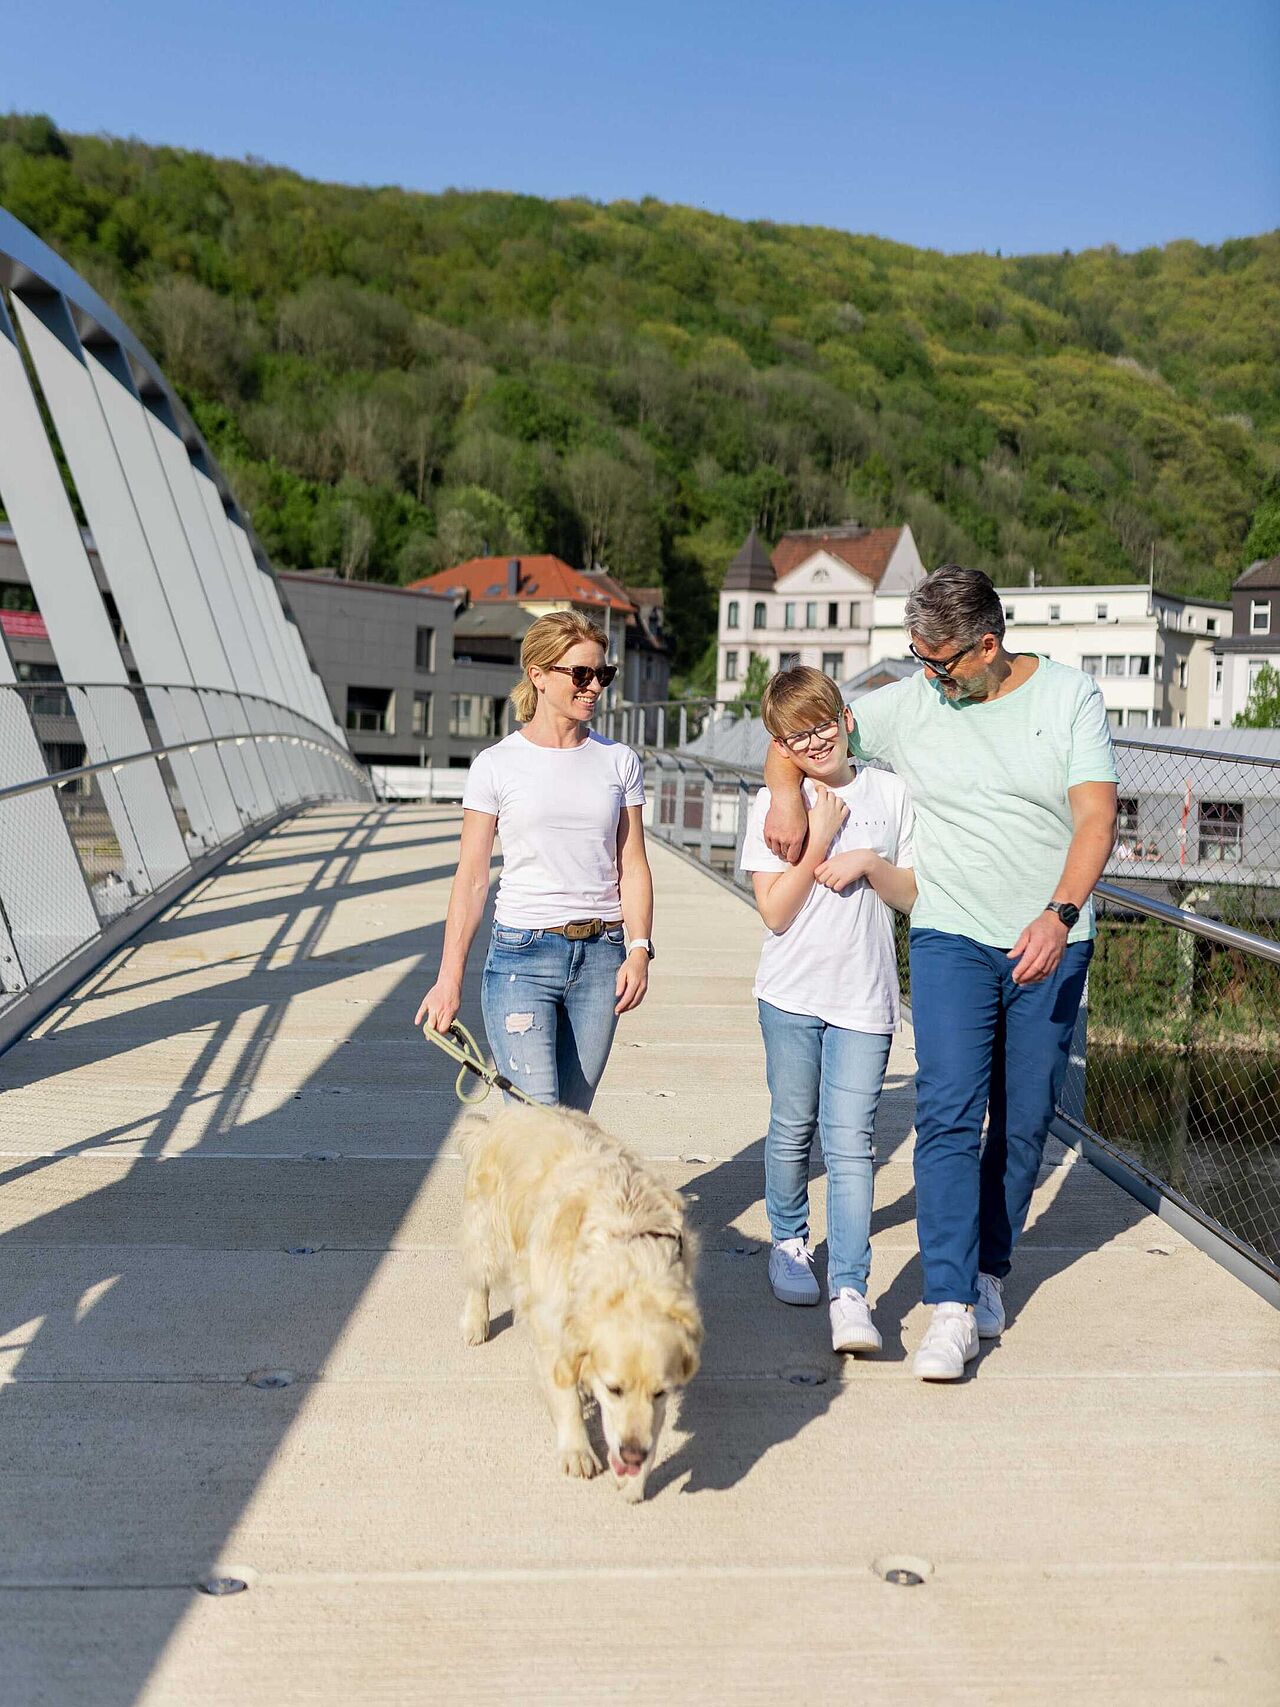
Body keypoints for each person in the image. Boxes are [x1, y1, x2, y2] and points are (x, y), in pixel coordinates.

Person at [764, 566, 1117, 1380]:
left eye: (940, 662)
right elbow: (802, 731)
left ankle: (990, 1271)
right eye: (917, 658)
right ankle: (949, 1304)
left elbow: (1096, 817)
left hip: (1051, 937)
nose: (927, 675)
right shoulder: (914, 700)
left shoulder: (1070, 698)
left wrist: (1059, 913)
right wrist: (786, 794)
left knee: (1023, 1121)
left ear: (987, 645)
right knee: (951, 1112)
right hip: (950, 932)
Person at [740, 667, 916, 1356]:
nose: (813, 741)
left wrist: (870, 863)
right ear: (780, 744)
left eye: (821, 725)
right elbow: (775, 912)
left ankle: (850, 1289)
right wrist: (818, 840)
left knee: (852, 1145)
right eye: (795, 734)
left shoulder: (892, 794)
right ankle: (788, 1240)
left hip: (866, 998)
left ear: (846, 719)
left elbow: (912, 896)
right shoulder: (774, 804)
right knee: (792, 1125)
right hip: (789, 991)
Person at [415, 610, 654, 1111]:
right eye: (581, 674)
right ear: (539, 675)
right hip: (523, 959)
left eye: (602, 675)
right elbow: (473, 878)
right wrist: (448, 979)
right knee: (537, 1124)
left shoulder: (619, 760)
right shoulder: (496, 765)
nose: (593, 687)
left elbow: (632, 863)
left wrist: (639, 948)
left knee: (571, 1122)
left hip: (602, 956)